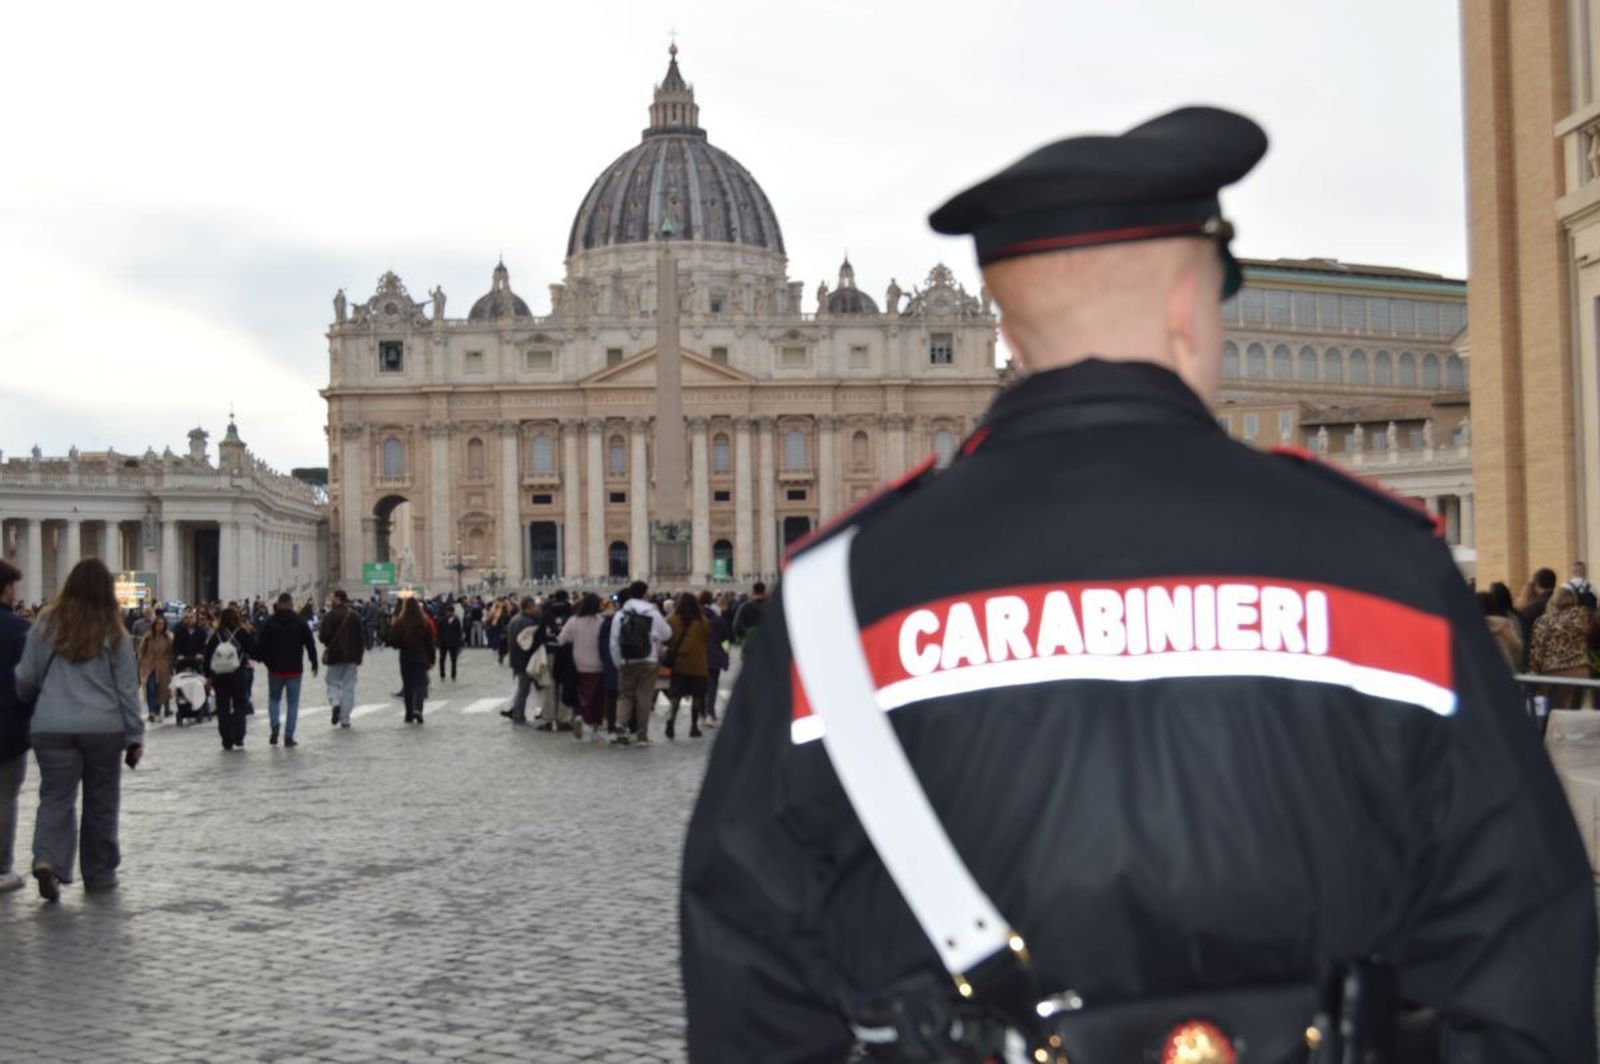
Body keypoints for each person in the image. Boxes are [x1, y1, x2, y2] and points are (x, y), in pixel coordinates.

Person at [680, 107, 1597, 1061]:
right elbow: (1522, 954)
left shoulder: (835, 601)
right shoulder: (1384, 567)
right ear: (1190, 303)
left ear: (1007, 324)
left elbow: (751, 986)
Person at [14, 559, 144, 900]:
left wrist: (38, 694)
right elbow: (127, 691)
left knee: (55, 797)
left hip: (52, 725)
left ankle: (47, 858)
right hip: (102, 727)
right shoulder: (115, 632)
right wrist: (135, 736)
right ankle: (99, 874)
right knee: (101, 802)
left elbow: (25, 678)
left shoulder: (44, 625)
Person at [0, 560, 32, 893]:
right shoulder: (19, 629)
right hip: (8, 724)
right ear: (7, 588)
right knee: (5, 797)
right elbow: (29, 680)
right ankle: (1, 868)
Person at [608, 582, 670, 746]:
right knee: (644, 698)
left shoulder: (620, 615)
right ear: (645, 593)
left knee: (625, 695)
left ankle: (620, 725)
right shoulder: (652, 613)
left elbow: (613, 642)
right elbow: (667, 634)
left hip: (626, 660)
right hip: (648, 660)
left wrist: (618, 662)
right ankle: (641, 735)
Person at [256, 592, 318, 746]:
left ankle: (275, 725)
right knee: (293, 703)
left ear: (278, 604)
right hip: (294, 669)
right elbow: (310, 643)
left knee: (274, 699)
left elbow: (261, 645)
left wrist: (266, 661)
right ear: (291, 604)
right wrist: (314, 662)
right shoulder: (300, 621)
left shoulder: (270, 622)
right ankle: (288, 736)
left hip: (275, 669)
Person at [1529, 585, 1592, 710]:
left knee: (1554, 713)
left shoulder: (1543, 621)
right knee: (1573, 712)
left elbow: (1537, 651)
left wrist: (1534, 673)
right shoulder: (1583, 617)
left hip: (1552, 673)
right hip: (1580, 671)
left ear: (1553, 600)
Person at [205, 607, 255, 751]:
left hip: (219, 676)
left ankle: (226, 738)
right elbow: (253, 650)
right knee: (240, 705)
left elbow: (208, 656)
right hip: (237, 674)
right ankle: (238, 735)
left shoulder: (216, 636)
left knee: (223, 707)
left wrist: (208, 675)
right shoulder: (241, 634)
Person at [558, 593, 607, 741]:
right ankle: (593, 728)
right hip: (599, 663)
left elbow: (561, 640)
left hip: (579, 662)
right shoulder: (601, 621)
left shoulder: (574, 621)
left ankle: (580, 716)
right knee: (597, 696)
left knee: (583, 693)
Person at [663, 592, 711, 740]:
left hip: (679, 663)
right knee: (697, 696)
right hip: (698, 663)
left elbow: (666, 638)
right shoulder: (703, 620)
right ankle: (694, 726)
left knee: (676, 696)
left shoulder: (672, 619)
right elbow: (707, 638)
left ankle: (671, 721)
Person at [319, 590, 365, 728]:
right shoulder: (355, 616)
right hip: (351, 656)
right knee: (348, 687)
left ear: (337, 599)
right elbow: (361, 638)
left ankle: (335, 703)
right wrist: (359, 655)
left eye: (332, 597)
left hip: (334, 655)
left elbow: (323, 637)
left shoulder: (330, 616)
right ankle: (345, 718)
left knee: (332, 682)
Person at [388, 598, 436, 724]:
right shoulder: (424, 623)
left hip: (406, 656)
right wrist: (432, 658)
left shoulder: (400, 622)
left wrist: (400, 644)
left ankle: (408, 714)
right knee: (420, 684)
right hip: (420, 655)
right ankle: (418, 709)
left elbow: (392, 641)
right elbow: (429, 643)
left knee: (408, 684)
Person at [503, 597, 545, 727]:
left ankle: (518, 713)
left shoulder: (515, 619)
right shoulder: (527, 622)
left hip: (516, 659)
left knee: (523, 688)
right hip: (525, 660)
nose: (537, 609)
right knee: (524, 689)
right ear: (529, 606)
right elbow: (530, 644)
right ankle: (519, 717)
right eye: (534, 606)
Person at [136, 614, 174, 723]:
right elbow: (141, 650)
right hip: (149, 666)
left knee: (161, 689)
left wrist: (168, 663)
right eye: (158, 624)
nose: (159, 626)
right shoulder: (148, 637)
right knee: (150, 688)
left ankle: (157, 711)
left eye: (162, 624)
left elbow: (170, 652)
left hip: (163, 666)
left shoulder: (167, 637)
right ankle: (152, 711)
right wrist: (142, 661)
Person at [731, 581, 766, 646]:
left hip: (749, 643)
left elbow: (736, 626)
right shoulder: (772, 606)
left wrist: (745, 636)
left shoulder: (744, 606)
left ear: (753, 592)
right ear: (764, 592)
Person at [437, 603, 463, 681]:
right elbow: (439, 632)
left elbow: (459, 633)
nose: (448, 613)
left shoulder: (456, 621)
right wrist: (439, 641)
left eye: (450, 612)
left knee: (453, 660)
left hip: (453, 643)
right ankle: (442, 674)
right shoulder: (442, 620)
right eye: (447, 612)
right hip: (443, 643)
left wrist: (459, 644)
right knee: (442, 659)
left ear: (452, 612)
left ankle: (453, 674)